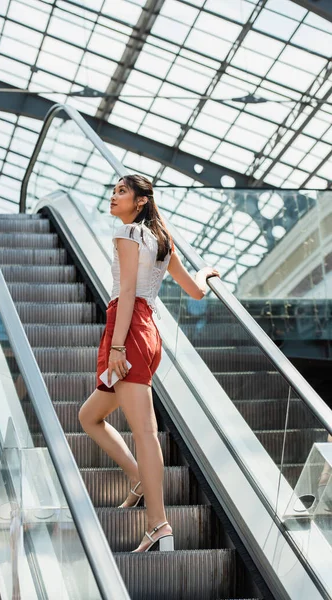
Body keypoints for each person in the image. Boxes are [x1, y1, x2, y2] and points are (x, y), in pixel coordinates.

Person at [78, 174, 219, 552]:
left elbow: (126, 292)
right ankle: (139, 479)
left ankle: (158, 524)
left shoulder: (128, 235)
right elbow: (196, 291)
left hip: (127, 330)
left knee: (145, 431)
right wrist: (205, 272)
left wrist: (117, 347)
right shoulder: (161, 240)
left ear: (140, 201)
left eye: (122, 191)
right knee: (89, 416)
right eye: (113, 191)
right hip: (147, 331)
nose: (113, 197)